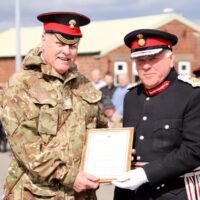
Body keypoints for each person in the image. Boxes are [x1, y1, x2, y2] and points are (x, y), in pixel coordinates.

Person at [0, 12, 108, 200]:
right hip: (37, 194)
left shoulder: (83, 84)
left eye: (73, 45)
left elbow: (101, 130)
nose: (67, 52)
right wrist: (70, 176)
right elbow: (28, 149)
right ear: (43, 40)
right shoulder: (21, 85)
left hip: (82, 194)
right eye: (60, 44)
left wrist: (117, 154)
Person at [112, 29, 200, 200]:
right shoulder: (131, 96)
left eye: (153, 59)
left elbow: (194, 150)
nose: (145, 66)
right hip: (133, 192)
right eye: (140, 60)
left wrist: (145, 174)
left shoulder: (191, 94)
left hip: (175, 191)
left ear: (171, 59)